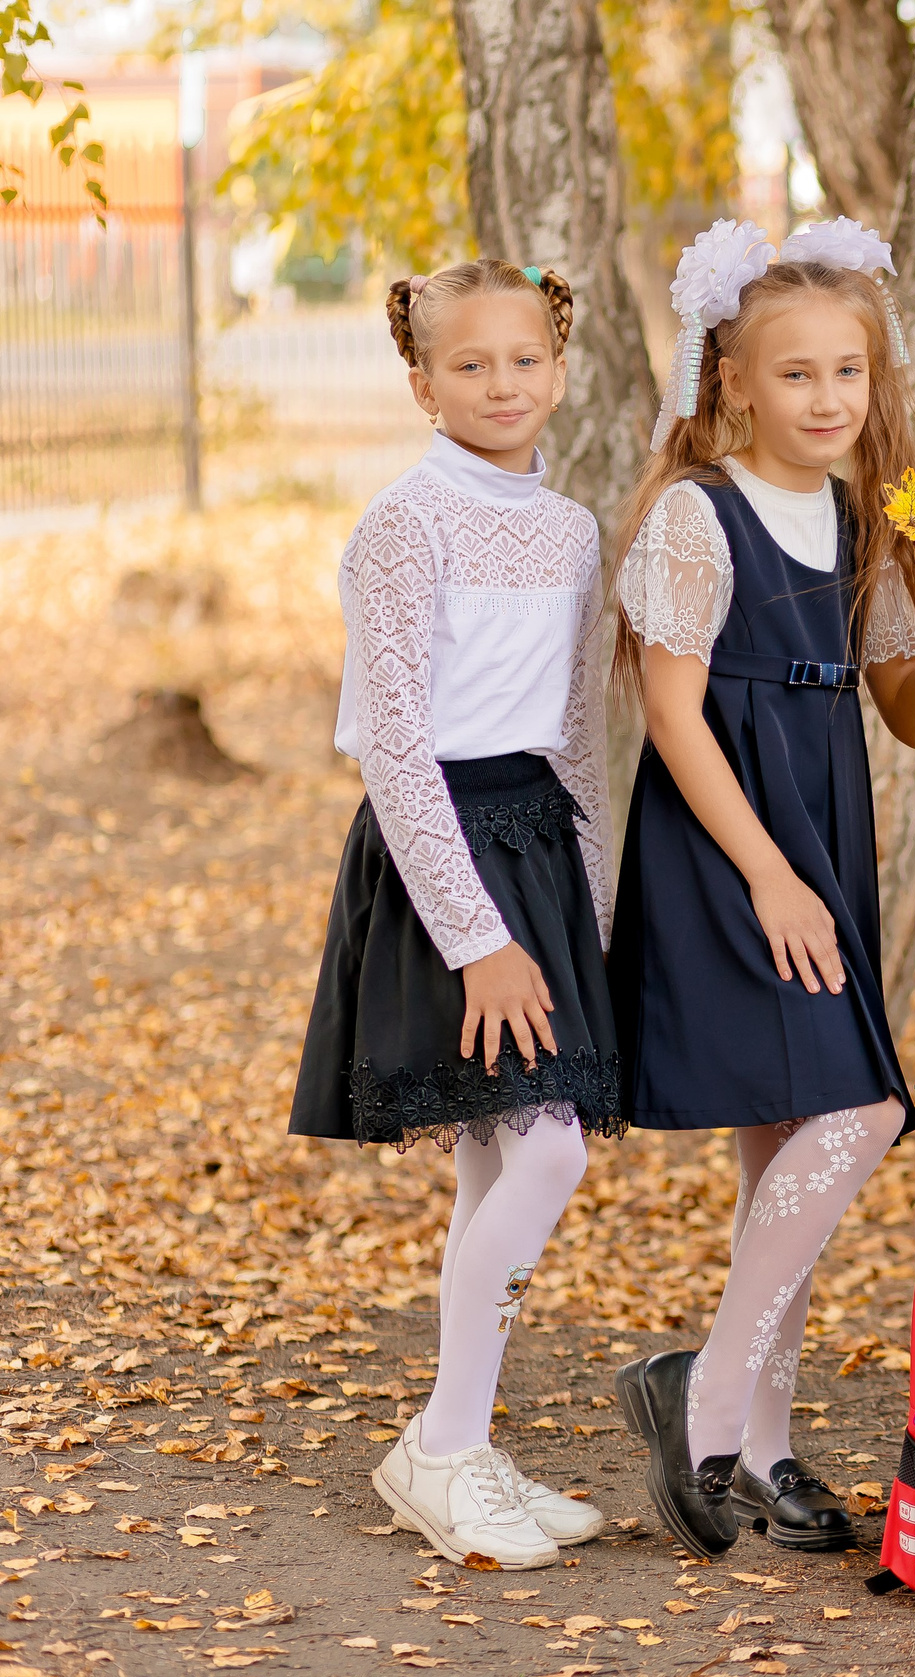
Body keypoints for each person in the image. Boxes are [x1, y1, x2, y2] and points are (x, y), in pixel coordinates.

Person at [290, 258, 619, 1571]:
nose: (501, 384)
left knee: (499, 1160)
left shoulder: (574, 530)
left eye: (524, 359)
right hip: (444, 856)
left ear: (560, 368)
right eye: (469, 364)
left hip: (537, 843)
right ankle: (440, 1444)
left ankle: (460, 1442)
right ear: (423, 383)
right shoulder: (404, 525)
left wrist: (588, 903)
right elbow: (395, 746)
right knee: (548, 1154)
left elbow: (575, 727)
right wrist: (479, 939)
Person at [609, 217, 915, 1558]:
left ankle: (760, 1446)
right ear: (734, 378)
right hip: (730, 838)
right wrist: (774, 878)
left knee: (785, 1139)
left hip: (821, 814)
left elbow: (904, 703)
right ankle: (708, 1393)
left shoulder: (862, 514)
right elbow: (671, 714)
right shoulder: (699, 511)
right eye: (796, 374)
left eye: (848, 371)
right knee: (864, 1106)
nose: (828, 398)